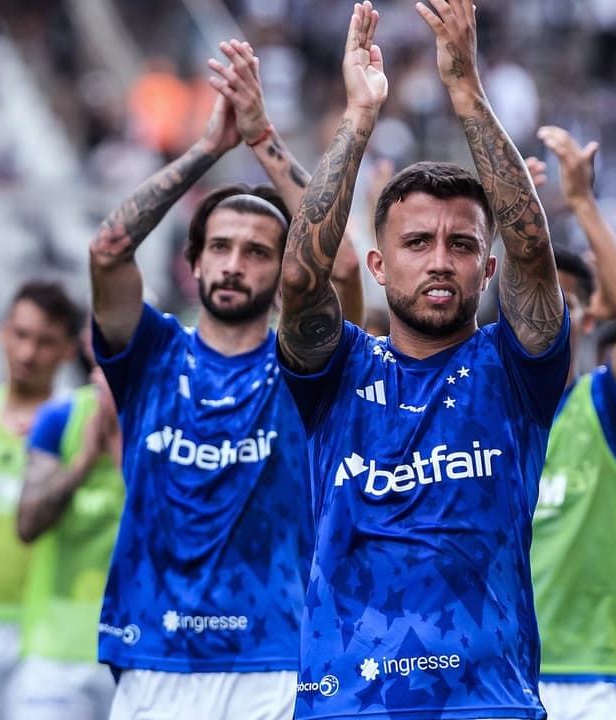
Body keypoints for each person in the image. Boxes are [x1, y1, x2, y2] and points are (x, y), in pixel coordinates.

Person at [276, 3, 568, 718]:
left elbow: (533, 247)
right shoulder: (337, 372)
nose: (440, 260)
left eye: (462, 245)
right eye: (417, 243)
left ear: (486, 268)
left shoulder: (513, 371)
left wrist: (465, 87)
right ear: (377, 265)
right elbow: (299, 280)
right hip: (345, 704)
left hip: (486, 705)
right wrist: (359, 115)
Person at [87, 37, 360, 719]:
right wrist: (209, 148)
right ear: (195, 264)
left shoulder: (306, 370)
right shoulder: (149, 354)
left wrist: (262, 137)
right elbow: (109, 249)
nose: (236, 263)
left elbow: (347, 269)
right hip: (151, 653)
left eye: (257, 252)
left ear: (280, 272)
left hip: (270, 661)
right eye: (221, 247)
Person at [528, 124, 616, 717]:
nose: (545, 316)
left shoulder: (604, 406)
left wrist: (581, 202)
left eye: (564, 303)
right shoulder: (479, 409)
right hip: (496, 667)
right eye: (530, 300)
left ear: (587, 320)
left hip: (586, 677)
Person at [10, 334, 124, 720]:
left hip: (133, 655)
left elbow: (175, 535)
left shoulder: (166, 423)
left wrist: (119, 451)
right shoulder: (60, 419)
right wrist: (83, 461)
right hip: (54, 659)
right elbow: (27, 525)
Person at [0, 280, 82, 720]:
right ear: (2, 332)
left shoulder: (78, 426)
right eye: (21, 335)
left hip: (44, 637)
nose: (28, 354)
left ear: (69, 350)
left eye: (45, 342)